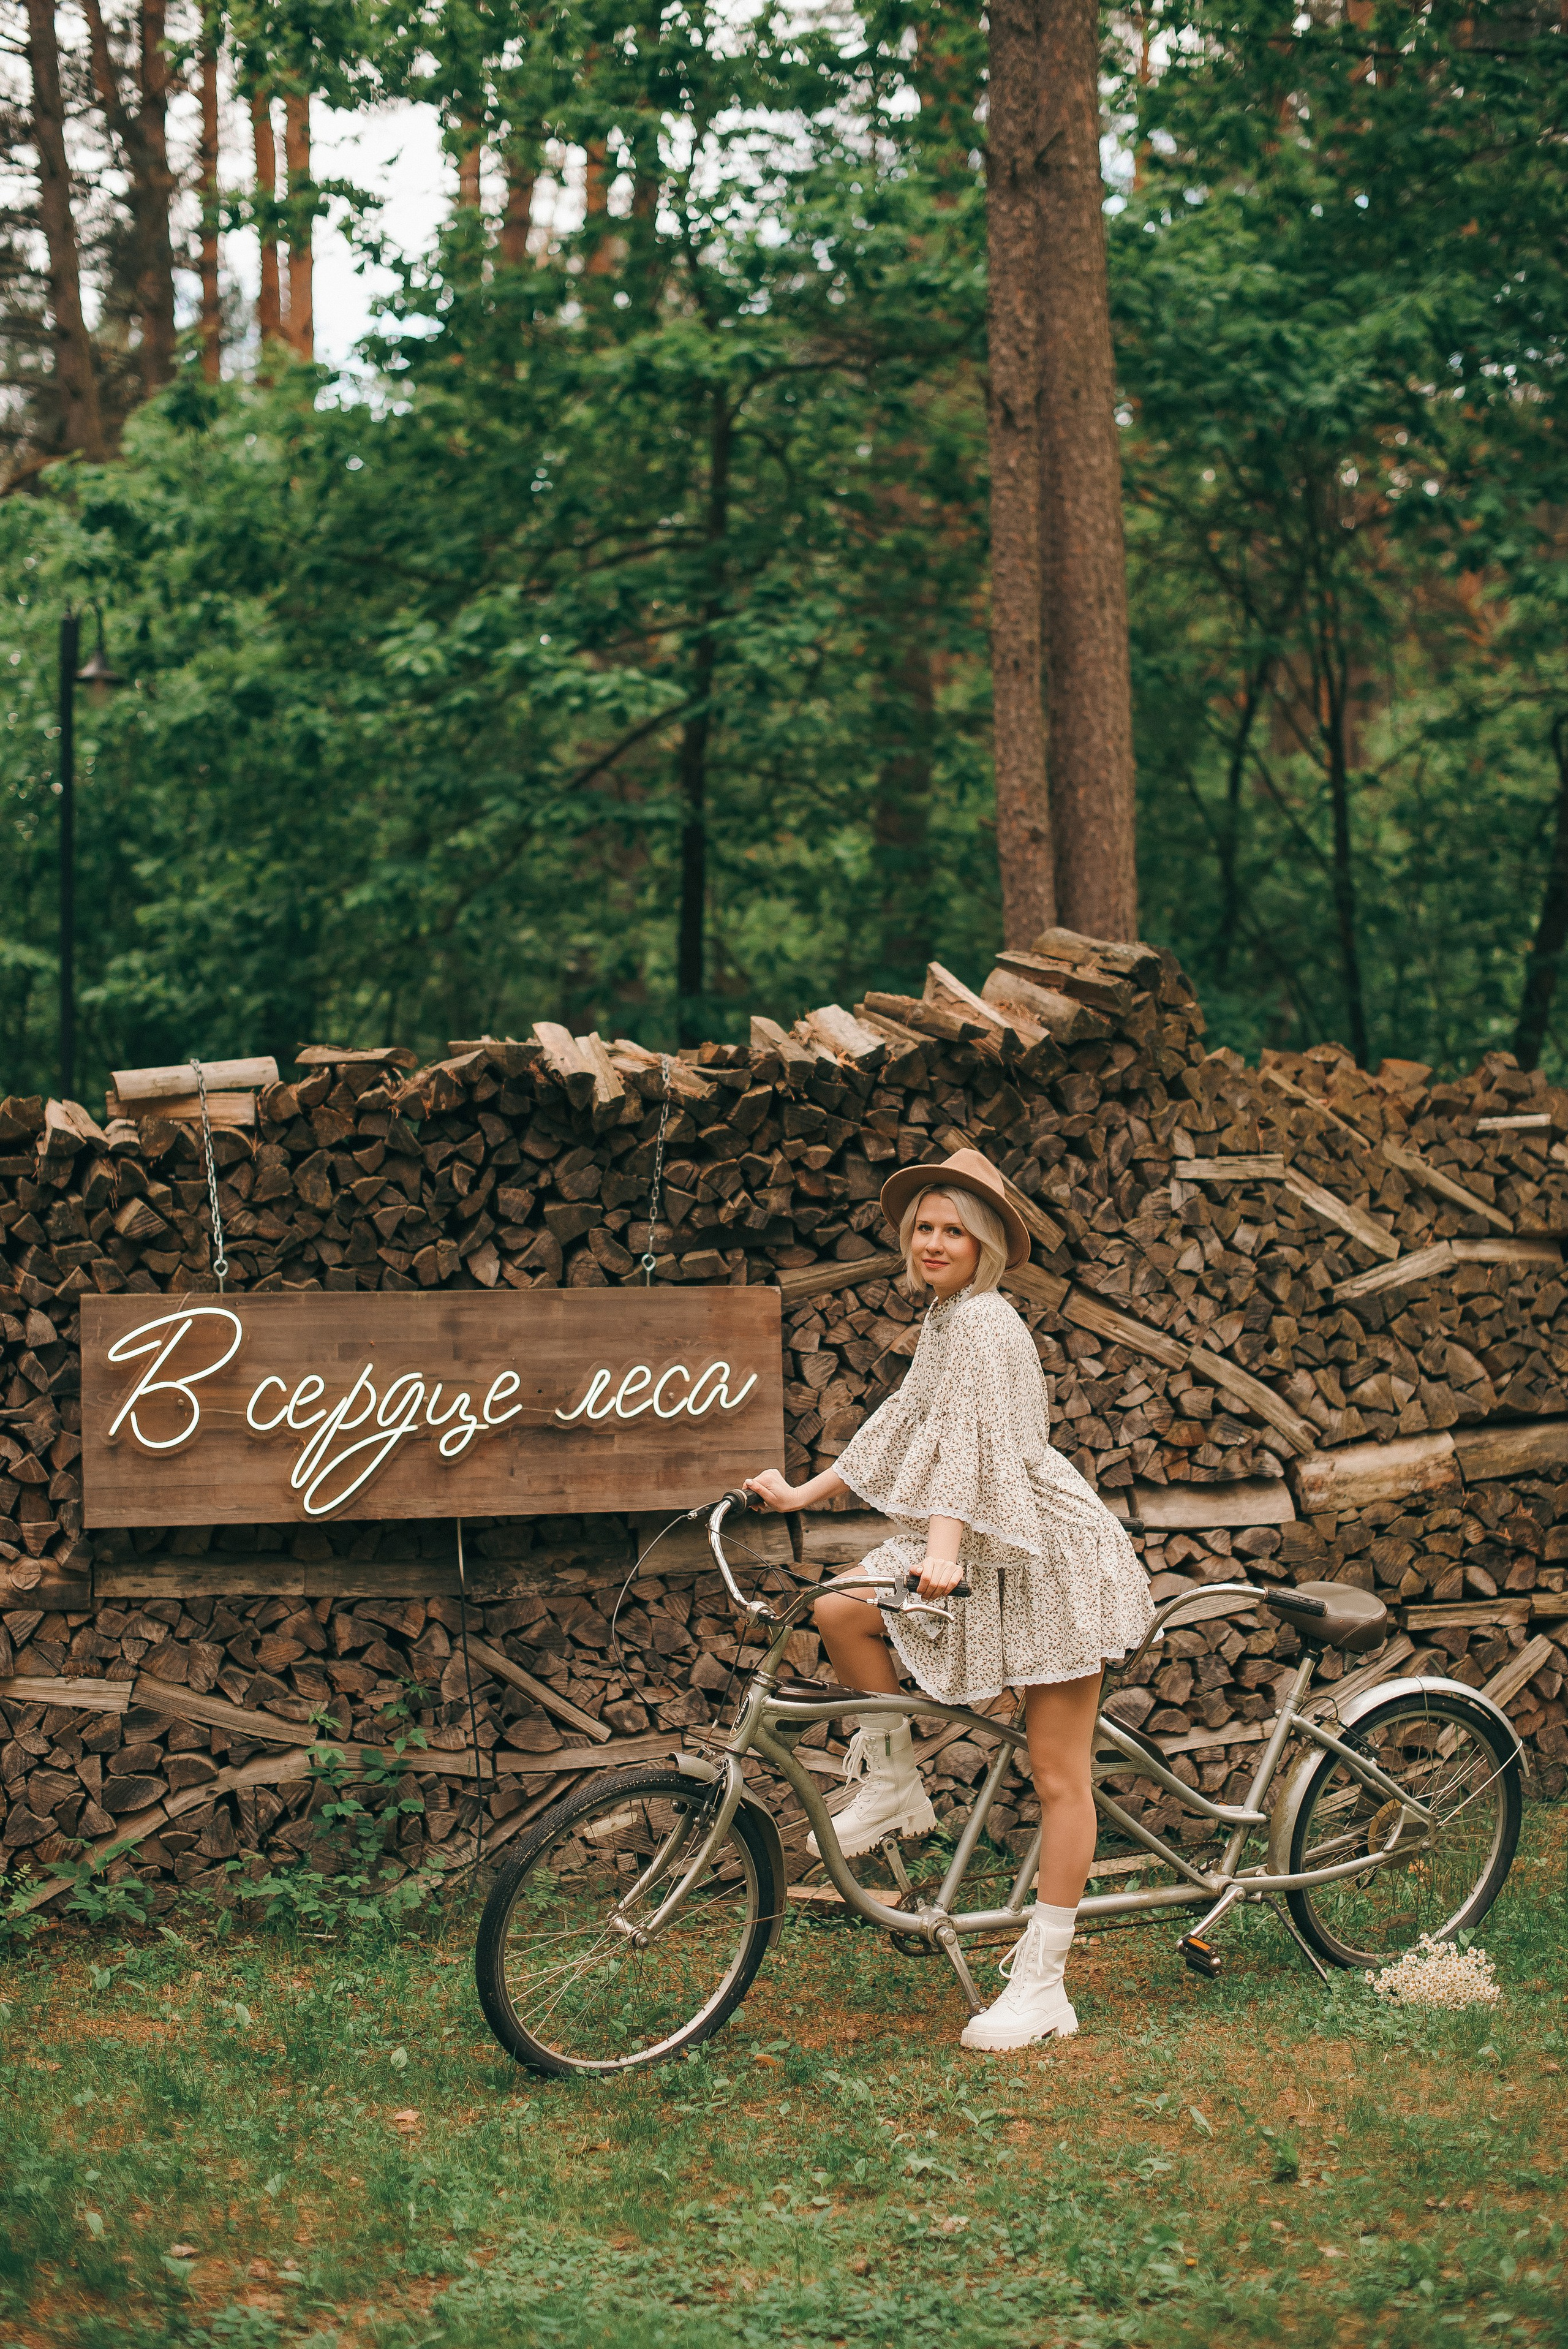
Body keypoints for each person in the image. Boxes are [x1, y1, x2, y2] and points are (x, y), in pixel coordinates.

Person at [745, 1146, 1153, 2052]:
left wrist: (937, 1553)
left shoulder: (988, 1324)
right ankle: (894, 1781)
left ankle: (1045, 1985)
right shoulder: (946, 1318)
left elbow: (971, 1450)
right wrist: (805, 1494)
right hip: (983, 1539)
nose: (935, 1242)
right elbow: (906, 1418)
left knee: (1058, 1774)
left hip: (1042, 1553)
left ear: (986, 1244)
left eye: (954, 1230)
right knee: (843, 1603)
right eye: (924, 1227)